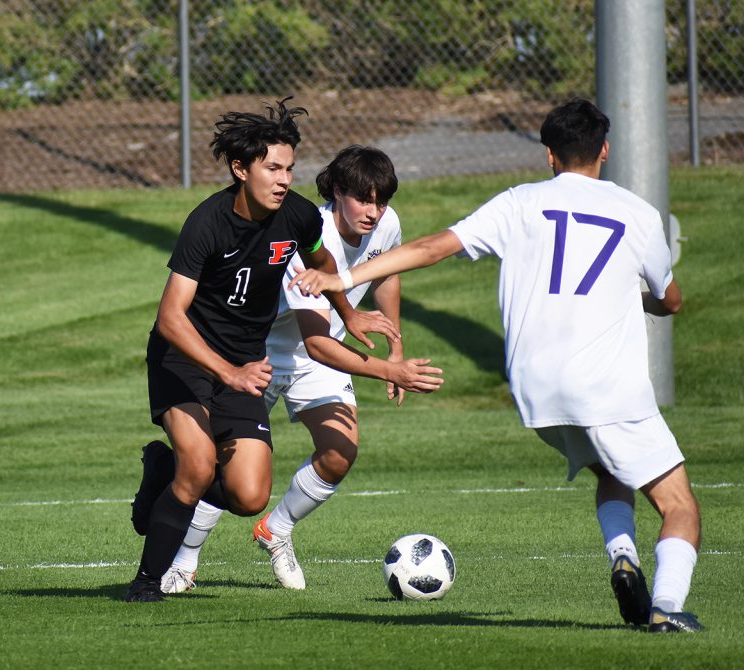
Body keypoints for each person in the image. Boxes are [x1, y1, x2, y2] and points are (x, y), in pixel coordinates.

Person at [290, 98, 703, 633]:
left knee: (611, 472)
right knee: (679, 506)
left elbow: (434, 246)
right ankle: (668, 608)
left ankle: (623, 555)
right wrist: (644, 299)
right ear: (604, 149)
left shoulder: (518, 203)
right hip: (607, 386)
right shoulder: (640, 214)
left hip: (536, 392)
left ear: (549, 155)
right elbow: (670, 301)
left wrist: (342, 280)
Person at [126, 99, 399, 602]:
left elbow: (321, 261)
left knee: (250, 497)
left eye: (290, 168)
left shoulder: (294, 215)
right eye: (273, 168)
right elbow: (170, 318)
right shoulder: (206, 222)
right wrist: (227, 372)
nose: (284, 179)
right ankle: (146, 583)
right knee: (197, 464)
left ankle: (160, 474)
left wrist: (349, 310)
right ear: (240, 168)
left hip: (244, 367)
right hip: (183, 359)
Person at [159, 145, 444, 594]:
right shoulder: (305, 231)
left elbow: (387, 274)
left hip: (324, 351)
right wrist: (394, 374)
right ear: (335, 191)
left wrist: (395, 347)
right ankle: (184, 560)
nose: (373, 212)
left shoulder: (386, 223)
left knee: (339, 452)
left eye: (381, 201)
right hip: (264, 354)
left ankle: (277, 529)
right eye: (362, 200)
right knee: (227, 465)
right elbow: (317, 344)